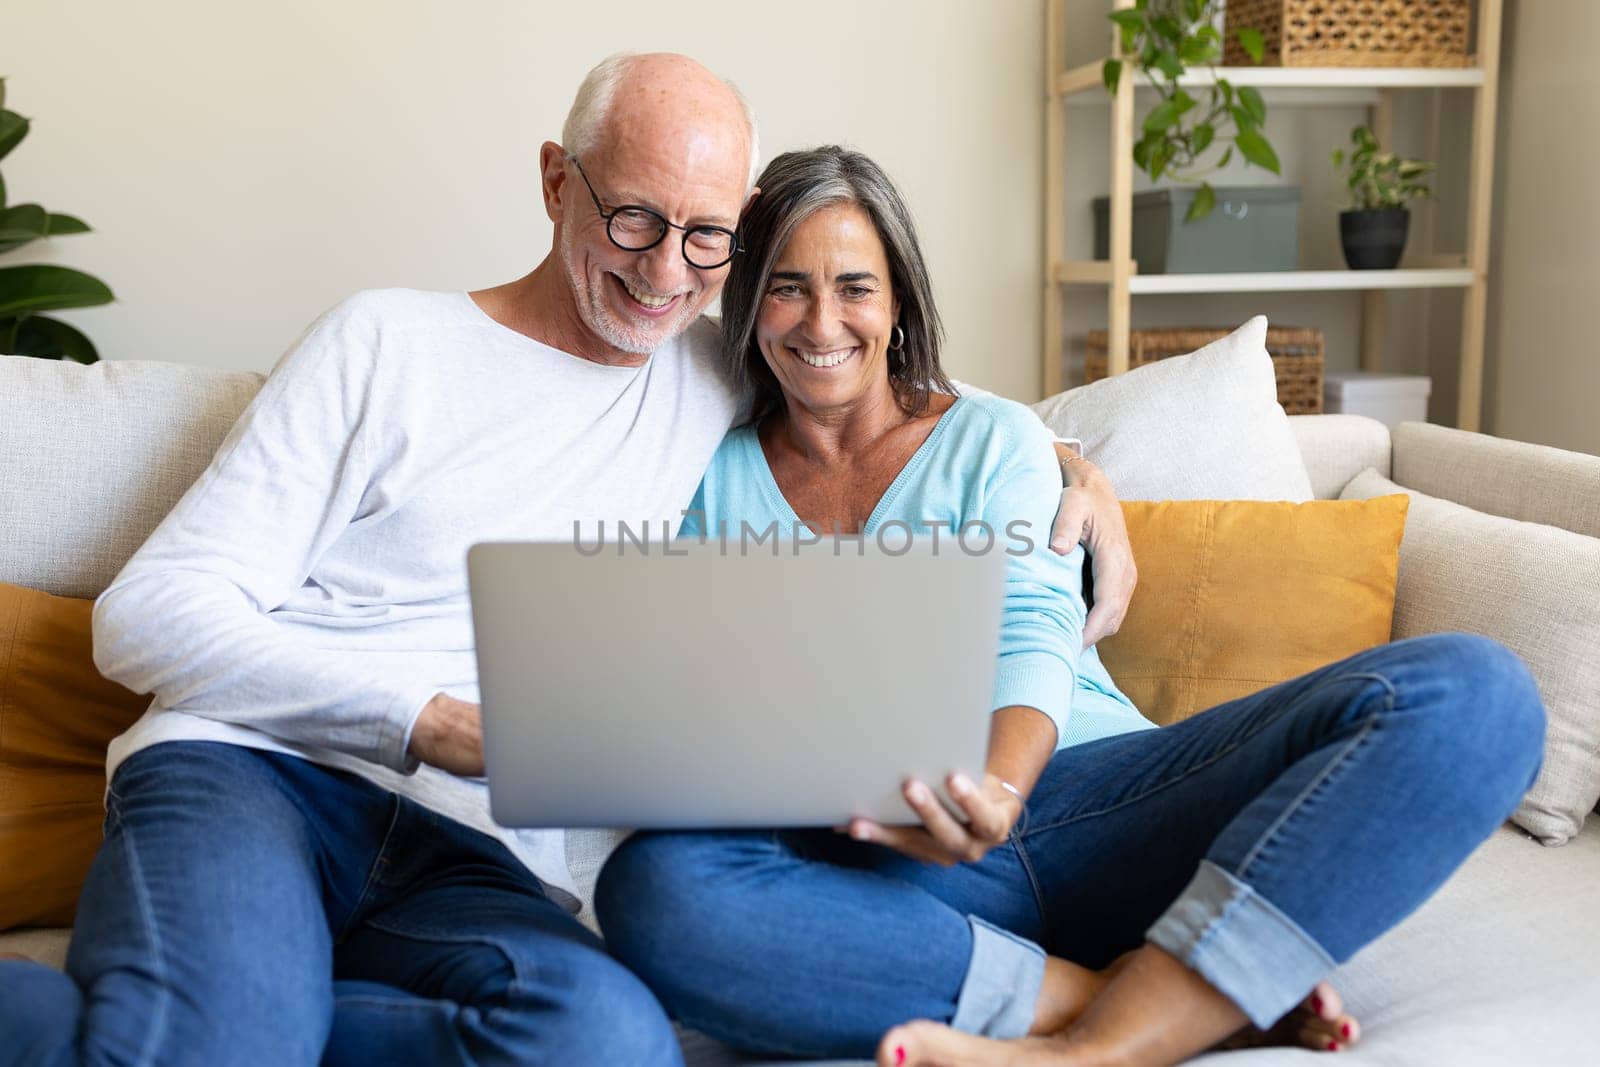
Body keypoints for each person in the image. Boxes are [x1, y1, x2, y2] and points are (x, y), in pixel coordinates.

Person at [0, 55, 1137, 1066]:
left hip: (468, 838)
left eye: (707, 237)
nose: (665, 273)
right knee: (217, 1042)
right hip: (251, 771)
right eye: (635, 219)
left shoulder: (712, 368)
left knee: (605, 1040)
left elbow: (881, 374)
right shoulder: (387, 342)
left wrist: (1073, 468)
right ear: (557, 182)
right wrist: (427, 718)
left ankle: (230, 1002)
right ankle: (222, 1012)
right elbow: (143, 613)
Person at [592, 145, 1548, 1067]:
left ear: (899, 301)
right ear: (750, 304)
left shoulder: (997, 438)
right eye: (788, 286)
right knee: (654, 889)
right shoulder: (706, 477)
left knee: (1476, 692)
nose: (821, 321)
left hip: (1101, 801)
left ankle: (1103, 1046)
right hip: (888, 855)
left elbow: (1032, 628)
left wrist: (998, 794)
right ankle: (1131, 997)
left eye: (855, 286)